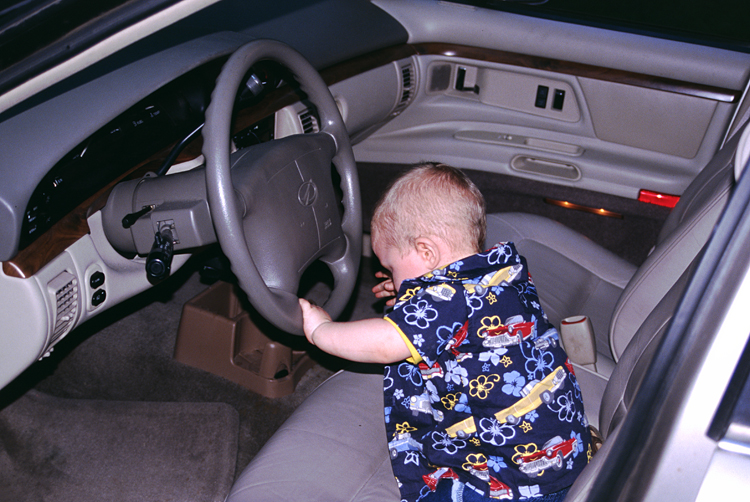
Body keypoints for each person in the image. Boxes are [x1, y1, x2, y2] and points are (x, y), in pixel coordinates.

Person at [300, 163, 591, 502]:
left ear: (426, 252)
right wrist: (414, 297)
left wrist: (322, 330)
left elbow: (383, 345)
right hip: (562, 455)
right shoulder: (501, 274)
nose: (391, 277)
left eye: (392, 267)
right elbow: (456, 314)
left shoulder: (447, 302)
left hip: (511, 480)